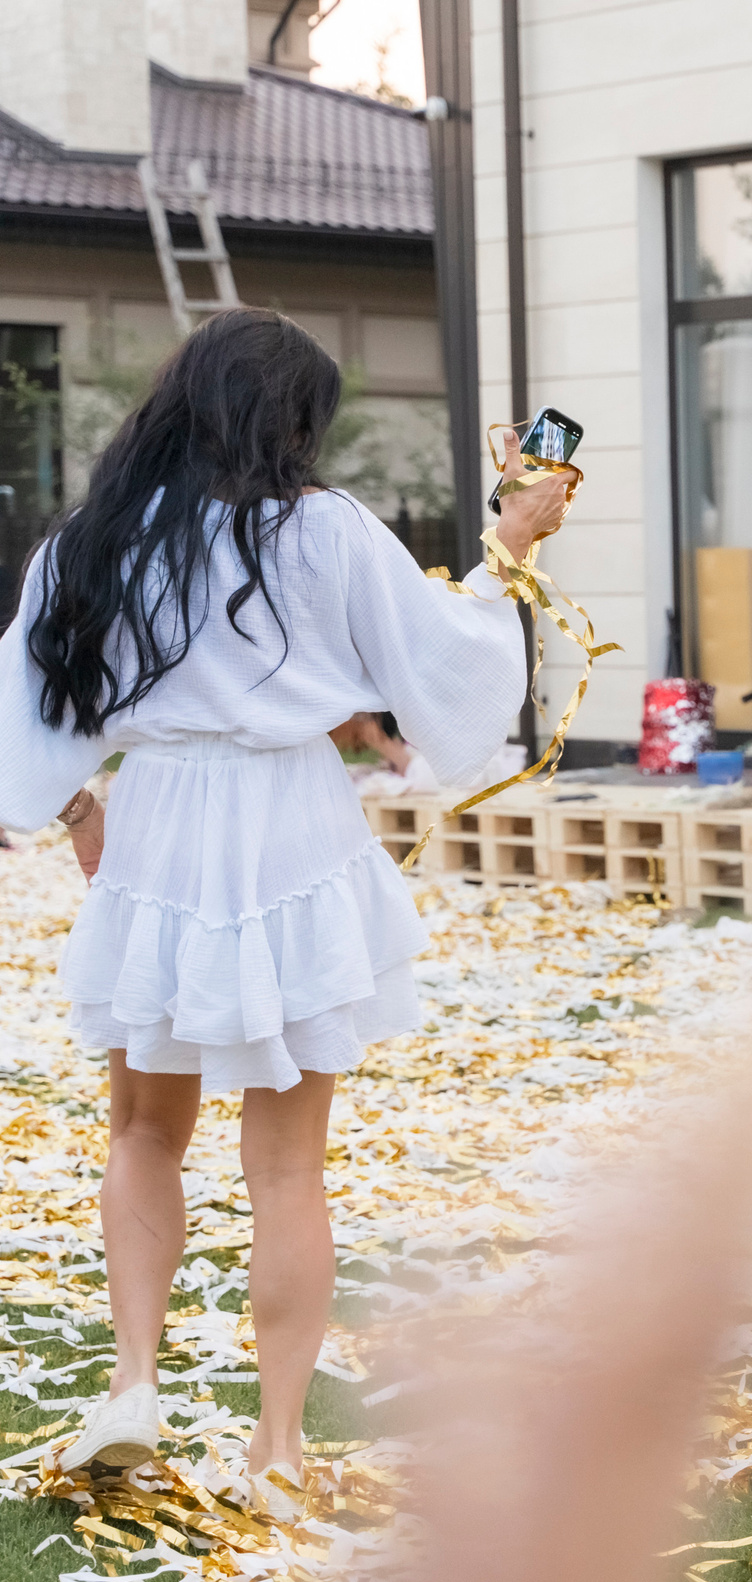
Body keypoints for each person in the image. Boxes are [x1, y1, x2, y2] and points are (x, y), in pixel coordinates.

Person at [0, 308, 561, 1482]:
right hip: (292, 821)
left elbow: (25, 717)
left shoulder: (92, 541)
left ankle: (135, 1386)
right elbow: (445, 660)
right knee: (289, 1164)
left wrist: (76, 810)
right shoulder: (327, 531)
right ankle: (279, 1442)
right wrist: (516, 536)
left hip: (157, 819)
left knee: (144, 1130)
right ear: (290, 421)